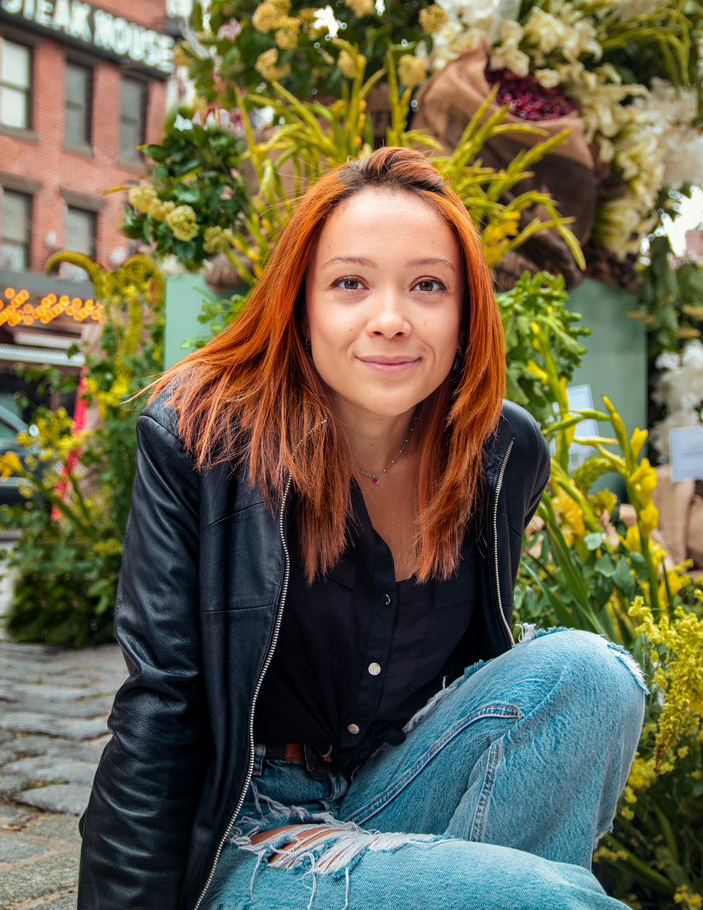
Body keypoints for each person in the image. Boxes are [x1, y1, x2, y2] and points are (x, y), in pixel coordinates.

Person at [77, 146, 648, 910]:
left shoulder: (498, 452)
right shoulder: (202, 438)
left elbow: (476, 673)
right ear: (301, 301)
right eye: (350, 283)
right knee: (547, 901)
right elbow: (161, 704)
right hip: (245, 835)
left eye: (427, 286)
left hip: (386, 795)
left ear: (466, 309)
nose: (390, 319)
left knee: (593, 675)